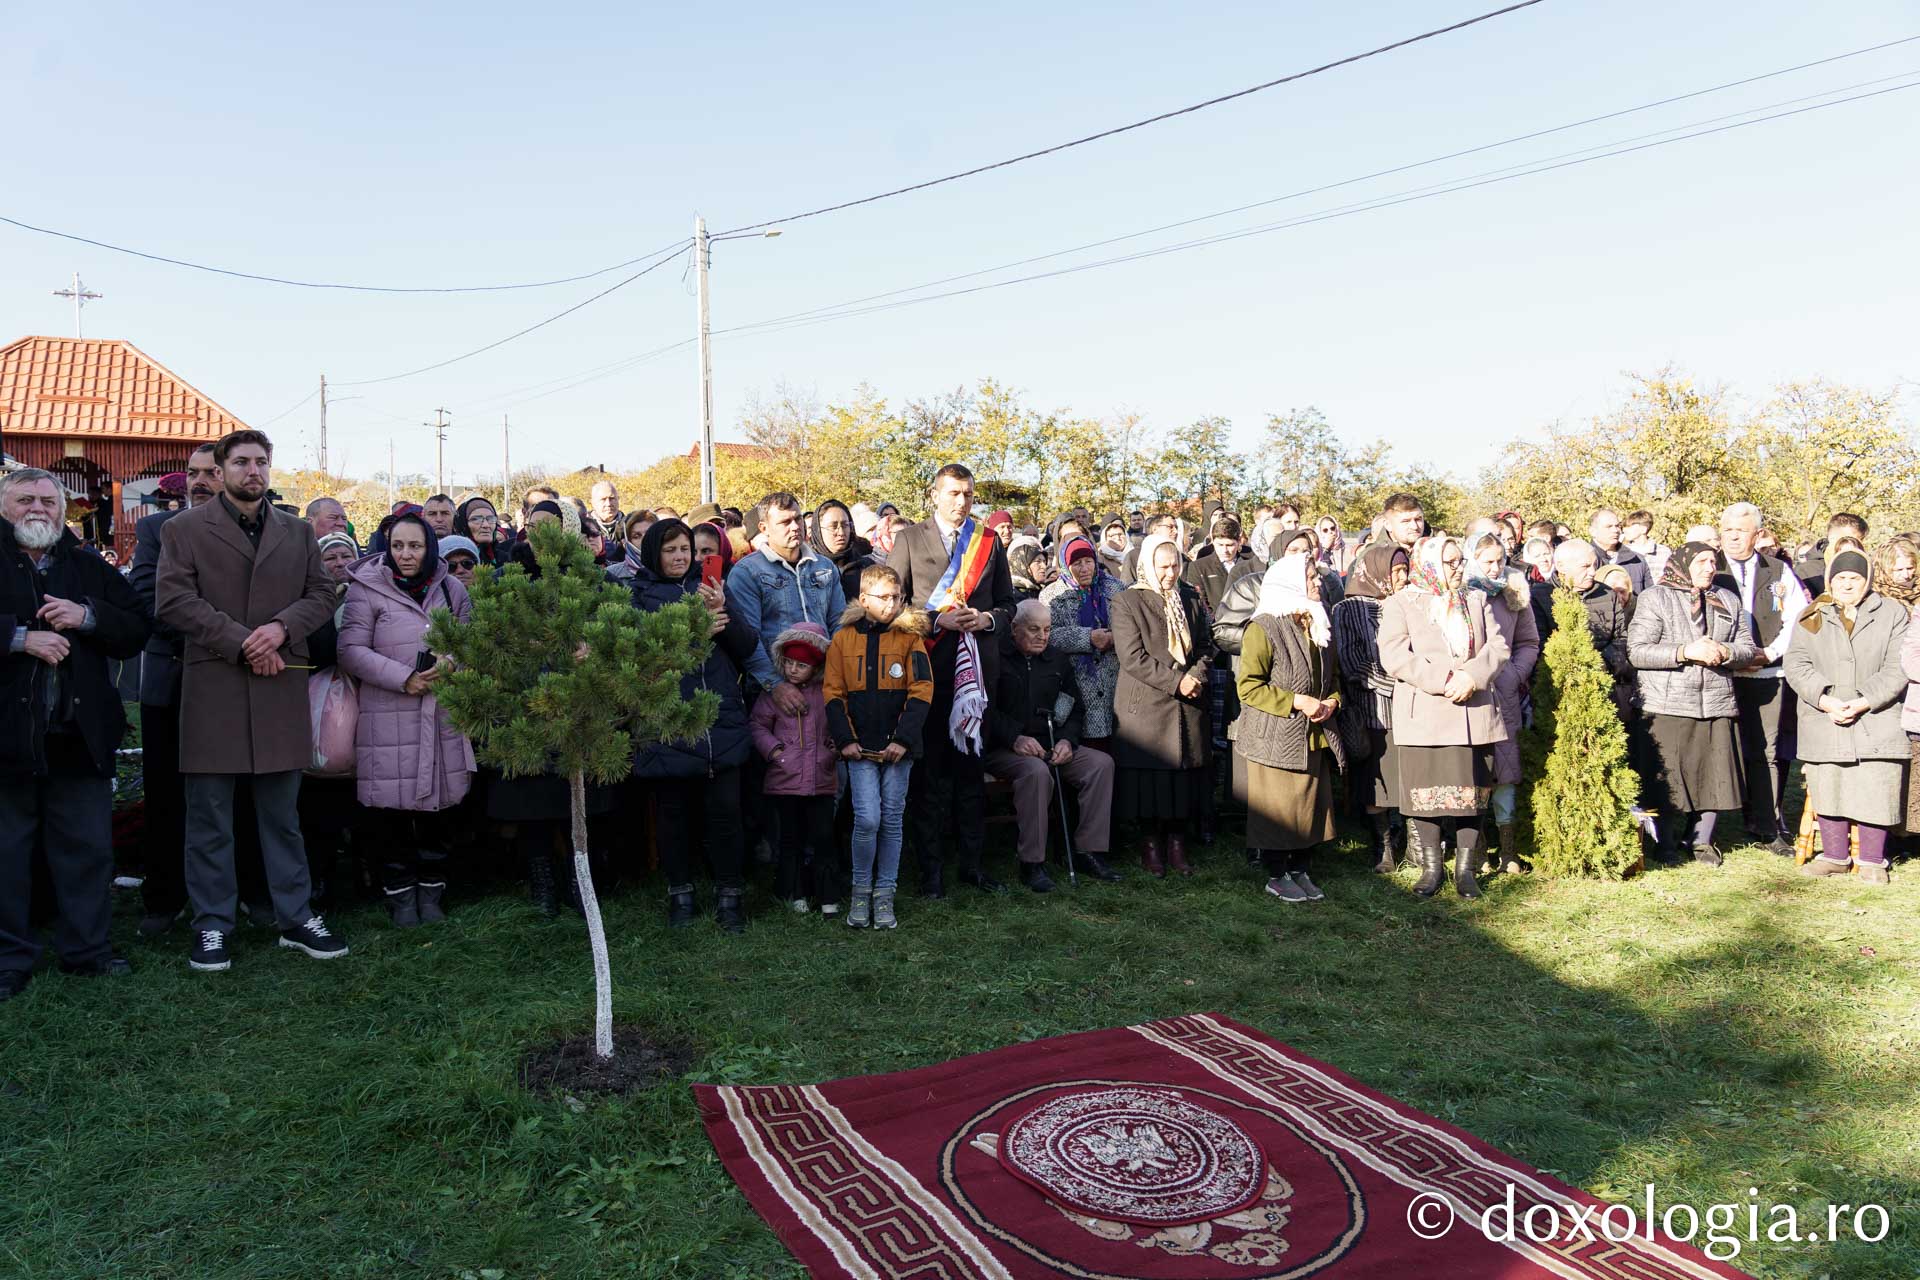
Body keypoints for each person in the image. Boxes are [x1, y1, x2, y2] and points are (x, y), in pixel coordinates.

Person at [155, 429, 347, 971]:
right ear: (221, 470)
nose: (253, 471)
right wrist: (245, 641)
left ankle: (296, 917)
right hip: (215, 684)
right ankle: (212, 924)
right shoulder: (184, 528)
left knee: (282, 815)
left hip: (279, 681)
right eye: (241, 462)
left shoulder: (297, 530)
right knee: (210, 817)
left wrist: (280, 630)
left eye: (262, 461)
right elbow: (173, 600)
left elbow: (320, 594)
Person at [0, 469, 151, 999]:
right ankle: (7, 960)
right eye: (25, 499)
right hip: (7, 739)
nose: (38, 508)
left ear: (65, 511)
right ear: (5, 505)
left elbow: (137, 628)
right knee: (6, 853)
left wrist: (88, 616)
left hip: (78, 736)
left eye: (48, 500)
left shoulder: (88, 567)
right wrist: (18, 638)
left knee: (87, 849)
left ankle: (86, 952)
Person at [337, 511, 474, 925]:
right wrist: (404, 678)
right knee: (391, 814)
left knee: (438, 809)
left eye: (414, 546)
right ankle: (399, 892)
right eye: (398, 546)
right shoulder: (367, 589)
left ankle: (432, 890)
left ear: (429, 546)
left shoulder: (451, 590)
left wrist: (451, 664)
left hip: (441, 715)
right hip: (388, 714)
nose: (406, 554)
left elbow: (469, 645)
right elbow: (351, 650)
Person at [887, 464, 1018, 897]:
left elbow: (1007, 603)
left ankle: (973, 866)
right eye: (953, 493)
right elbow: (890, 607)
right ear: (934, 494)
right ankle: (931, 873)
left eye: (967, 494)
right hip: (928, 673)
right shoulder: (909, 539)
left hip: (976, 673)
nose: (961, 502)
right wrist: (936, 618)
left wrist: (985, 619)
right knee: (930, 779)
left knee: (969, 776)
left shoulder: (986, 541)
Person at [630, 519, 755, 931]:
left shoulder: (710, 588)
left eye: (686, 548)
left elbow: (745, 646)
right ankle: (680, 893)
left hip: (719, 716)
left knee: (726, 812)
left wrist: (722, 613)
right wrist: (694, 629)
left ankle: (730, 895)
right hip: (667, 719)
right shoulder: (637, 596)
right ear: (653, 553)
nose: (681, 557)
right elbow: (638, 659)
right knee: (673, 814)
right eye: (671, 550)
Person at [1377, 534, 1511, 899]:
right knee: (1426, 796)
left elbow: (1498, 646)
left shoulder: (1476, 598)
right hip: (1427, 715)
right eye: (1450, 562)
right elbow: (1395, 655)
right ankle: (1431, 868)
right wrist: (1446, 679)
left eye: (1459, 561)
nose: (1458, 568)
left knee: (1472, 794)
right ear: (1431, 565)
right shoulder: (1401, 603)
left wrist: (1472, 676)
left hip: (1474, 710)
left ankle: (1465, 872)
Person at [128, 443, 223, 937]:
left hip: (232, 682)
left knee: (234, 792)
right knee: (166, 794)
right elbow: (149, 600)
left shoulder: (252, 531)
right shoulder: (153, 530)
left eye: (210, 472)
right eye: (192, 472)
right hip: (173, 679)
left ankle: (243, 891)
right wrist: (217, 636)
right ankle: (163, 897)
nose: (199, 481)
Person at [1627, 542, 1754, 866]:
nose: (1709, 567)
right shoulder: (1656, 597)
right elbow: (1638, 650)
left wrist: (1725, 652)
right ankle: (1665, 841)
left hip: (1716, 700)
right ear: (1683, 564)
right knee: (1668, 778)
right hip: (1668, 703)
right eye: (1701, 561)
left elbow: (1747, 648)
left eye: (1713, 561)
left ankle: (1701, 840)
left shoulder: (1727, 600)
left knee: (1712, 776)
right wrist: (1686, 651)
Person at [1785, 550, 1907, 885]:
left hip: (1876, 716)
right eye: (1840, 578)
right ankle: (1834, 857)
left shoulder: (1893, 613)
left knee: (1875, 785)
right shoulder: (1812, 614)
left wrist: (1863, 701)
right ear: (1830, 581)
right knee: (1829, 783)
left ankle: (1872, 861)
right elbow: (1796, 663)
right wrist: (1824, 700)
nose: (1847, 584)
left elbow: (1899, 667)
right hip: (1824, 714)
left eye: (1854, 578)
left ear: (1866, 581)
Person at [824, 564, 933, 930]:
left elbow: (922, 691)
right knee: (866, 818)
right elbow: (833, 693)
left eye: (897, 597)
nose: (892, 604)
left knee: (891, 820)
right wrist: (846, 740)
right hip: (859, 749)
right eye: (884, 598)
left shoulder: (910, 639)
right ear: (864, 599)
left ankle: (885, 894)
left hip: (898, 750)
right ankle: (860, 889)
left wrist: (903, 739)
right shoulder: (842, 639)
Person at [984, 600, 1120, 890]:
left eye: (1047, 630)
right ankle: (1032, 863)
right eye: (1034, 629)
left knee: (1100, 765)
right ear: (1014, 628)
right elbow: (984, 709)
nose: (1042, 636)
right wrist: (1014, 737)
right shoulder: (995, 657)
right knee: (1036, 773)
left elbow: (1074, 706)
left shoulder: (1057, 660)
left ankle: (1087, 851)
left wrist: (1067, 741)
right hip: (1004, 748)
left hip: (1051, 744)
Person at [1235, 553, 1344, 903]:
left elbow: (1333, 679)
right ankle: (1276, 874)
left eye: (1316, 576)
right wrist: (1297, 701)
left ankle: (1300, 869)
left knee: (1309, 806)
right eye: (1311, 576)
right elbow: (1249, 686)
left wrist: (1332, 702)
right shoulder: (1264, 627)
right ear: (1291, 583)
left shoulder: (1316, 622)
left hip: (1313, 734)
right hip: (1276, 735)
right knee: (1280, 810)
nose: (1318, 582)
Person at [1110, 533, 1214, 876]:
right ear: (1149, 566)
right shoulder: (1127, 601)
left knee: (1182, 780)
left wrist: (1196, 675)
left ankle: (1177, 842)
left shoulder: (1189, 597)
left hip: (1188, 704)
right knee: (1151, 782)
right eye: (1164, 567)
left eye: (1175, 565)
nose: (1171, 573)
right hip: (1149, 703)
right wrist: (1175, 682)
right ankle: (1151, 844)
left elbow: (1204, 644)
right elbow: (1132, 657)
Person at [1719, 502, 1811, 854]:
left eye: (1740, 531)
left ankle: (1767, 826)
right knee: (1722, 750)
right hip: (1722, 674)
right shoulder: (1710, 567)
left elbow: (1797, 618)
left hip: (1768, 674)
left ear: (1757, 535)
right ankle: (1709, 831)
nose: (1733, 537)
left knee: (1765, 751)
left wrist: (1769, 653)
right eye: (1727, 530)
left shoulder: (1778, 571)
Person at [1327, 545, 1410, 871]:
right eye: (1396, 570)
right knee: (1378, 784)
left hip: (1410, 710)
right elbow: (1352, 664)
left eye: (1406, 569)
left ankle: (1411, 845)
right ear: (1377, 570)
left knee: (1407, 780)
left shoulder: (1407, 602)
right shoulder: (1349, 608)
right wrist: (1395, 687)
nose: (1403, 577)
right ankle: (1383, 848)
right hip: (1373, 709)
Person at [750, 621, 842, 914]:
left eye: (801, 665)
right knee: (790, 839)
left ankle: (828, 896)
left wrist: (832, 750)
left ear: (816, 666)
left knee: (824, 838)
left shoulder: (828, 692)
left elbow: (842, 722)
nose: (792, 670)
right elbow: (758, 724)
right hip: (785, 779)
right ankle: (794, 893)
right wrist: (776, 752)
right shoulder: (775, 695)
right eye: (788, 662)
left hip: (821, 779)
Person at [727, 492, 846, 706]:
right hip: (771, 689)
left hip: (823, 682)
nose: (795, 526)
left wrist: (835, 672)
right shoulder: (747, 572)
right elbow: (748, 638)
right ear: (764, 528)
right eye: (785, 522)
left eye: (798, 519)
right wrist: (776, 685)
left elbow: (839, 624)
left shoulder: (825, 567)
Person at [1468, 532, 1540, 872]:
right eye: (1488, 560)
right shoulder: (1461, 589)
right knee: (1475, 771)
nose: (1496, 567)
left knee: (1506, 770)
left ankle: (1509, 851)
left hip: (1505, 692)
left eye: (1500, 559)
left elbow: (1528, 640)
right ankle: (1478, 850)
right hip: (1471, 693)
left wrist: (1515, 672)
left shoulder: (1515, 590)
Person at [1041, 536, 1123, 749]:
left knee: (1117, 744)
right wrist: (1087, 638)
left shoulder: (1115, 589)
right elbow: (1048, 636)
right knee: (1083, 746)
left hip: (1115, 682)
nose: (1084, 568)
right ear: (1066, 566)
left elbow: (1131, 627)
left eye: (1088, 561)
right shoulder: (1052, 595)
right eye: (1077, 563)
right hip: (1076, 684)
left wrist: (1115, 637)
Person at [810, 498, 869, 601]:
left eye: (845, 525)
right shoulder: (806, 568)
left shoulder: (867, 567)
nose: (841, 532)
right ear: (818, 530)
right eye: (833, 526)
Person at [1589, 508, 1652, 594]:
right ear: (1593, 531)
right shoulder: (1584, 561)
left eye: (1617, 526)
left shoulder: (1637, 561)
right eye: (1609, 526)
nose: (1615, 530)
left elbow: (1650, 598)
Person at [1622, 510, 1670, 580]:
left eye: (1629, 527)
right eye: (1624, 527)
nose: (1624, 530)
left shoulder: (1663, 553)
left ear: (1643, 529)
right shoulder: (1622, 553)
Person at [1007, 536, 1050, 600]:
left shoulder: (1043, 592)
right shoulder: (1011, 595)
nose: (1044, 566)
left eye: (1044, 561)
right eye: (1038, 561)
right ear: (1023, 565)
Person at [590, 481, 624, 548]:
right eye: (603, 499)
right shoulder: (584, 528)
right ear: (593, 502)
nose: (608, 504)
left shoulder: (629, 527)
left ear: (618, 499)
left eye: (612, 498)